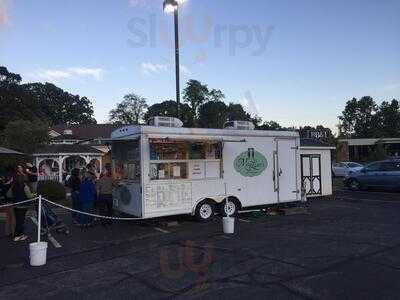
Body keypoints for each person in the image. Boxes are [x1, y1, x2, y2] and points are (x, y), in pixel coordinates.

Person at [11, 165, 32, 241]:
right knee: (21, 221)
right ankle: (18, 235)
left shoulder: (13, 186)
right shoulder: (25, 186)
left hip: (16, 204)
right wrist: (34, 195)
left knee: (18, 220)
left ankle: (18, 234)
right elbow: (29, 196)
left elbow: (9, 194)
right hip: (23, 205)